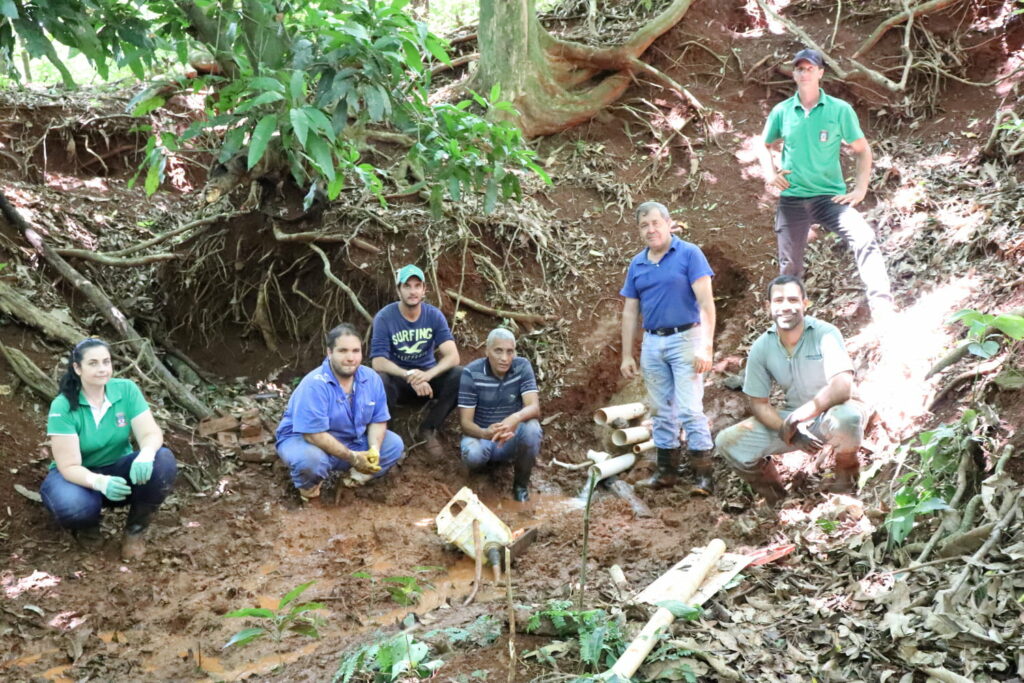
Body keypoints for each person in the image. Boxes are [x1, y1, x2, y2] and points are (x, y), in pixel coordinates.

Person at [753, 48, 893, 320]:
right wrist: (770, 174)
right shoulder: (782, 111)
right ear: (794, 74)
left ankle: (882, 307)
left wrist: (860, 189)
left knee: (864, 238)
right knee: (789, 266)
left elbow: (862, 150)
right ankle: (791, 320)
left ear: (820, 72)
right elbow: (763, 143)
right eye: (799, 68)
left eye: (809, 68)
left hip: (829, 199)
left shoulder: (839, 110)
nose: (804, 73)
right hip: (792, 199)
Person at [715, 276, 866, 503]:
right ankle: (776, 498)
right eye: (778, 300)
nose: (786, 306)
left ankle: (846, 475)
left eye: (793, 299)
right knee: (727, 442)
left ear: (805, 304)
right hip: (793, 418)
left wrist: (797, 417)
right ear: (768, 307)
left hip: (835, 409)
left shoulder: (825, 333)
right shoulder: (761, 347)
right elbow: (758, 403)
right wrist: (790, 432)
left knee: (847, 418)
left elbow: (842, 387)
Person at [41, 338, 177, 560]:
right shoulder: (63, 405)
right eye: (93, 363)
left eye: (106, 361)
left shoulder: (126, 390)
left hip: (118, 472)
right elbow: (69, 466)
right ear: (77, 368)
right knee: (73, 506)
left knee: (163, 460)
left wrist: (146, 453)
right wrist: (100, 482)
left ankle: (135, 531)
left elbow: (150, 434)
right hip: (77, 479)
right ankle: (88, 529)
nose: (102, 369)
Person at [620, 201, 717, 495]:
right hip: (653, 342)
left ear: (668, 223)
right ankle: (666, 473)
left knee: (689, 408)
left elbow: (705, 303)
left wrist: (707, 347)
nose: (651, 230)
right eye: (644, 225)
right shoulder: (637, 264)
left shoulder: (689, 254)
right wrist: (627, 354)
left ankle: (704, 476)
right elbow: (629, 312)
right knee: (662, 410)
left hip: (687, 338)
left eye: (655, 223)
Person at [276, 324, 404, 499]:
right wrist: (352, 457)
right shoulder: (315, 384)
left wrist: (373, 451)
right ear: (329, 353)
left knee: (393, 444)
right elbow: (313, 435)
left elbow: (378, 420)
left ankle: (350, 482)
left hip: (351, 440)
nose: (350, 358)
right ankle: (309, 493)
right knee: (310, 461)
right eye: (343, 351)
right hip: (305, 441)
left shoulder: (371, 378)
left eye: (355, 351)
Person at [370, 264, 462, 457]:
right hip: (399, 382)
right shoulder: (385, 318)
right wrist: (409, 375)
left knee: (460, 375)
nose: (413, 291)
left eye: (417, 285)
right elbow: (378, 362)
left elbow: (453, 356)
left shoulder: (433, 315)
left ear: (424, 289)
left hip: (428, 381)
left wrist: (427, 375)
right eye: (407, 286)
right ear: (398, 290)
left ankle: (429, 428)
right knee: (379, 380)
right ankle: (388, 436)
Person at [457, 328, 542, 502]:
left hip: (510, 438)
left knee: (533, 429)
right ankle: (477, 477)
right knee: (472, 453)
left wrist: (514, 418)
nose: (505, 358)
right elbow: (465, 423)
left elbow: (534, 408)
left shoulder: (522, 366)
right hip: (483, 437)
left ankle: (520, 487)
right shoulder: (471, 373)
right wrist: (484, 433)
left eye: (509, 351)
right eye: (498, 351)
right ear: (487, 351)